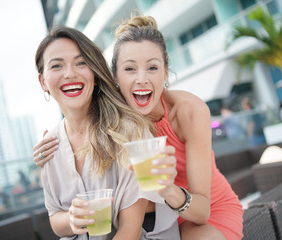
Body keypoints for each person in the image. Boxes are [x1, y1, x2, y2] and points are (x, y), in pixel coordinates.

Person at [35, 16, 244, 240]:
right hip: (162, 220)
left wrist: (169, 191)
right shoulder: (112, 118)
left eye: (152, 67)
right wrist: (44, 156)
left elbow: (202, 210)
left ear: (166, 73)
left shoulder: (187, 111)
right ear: (115, 76)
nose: (141, 79)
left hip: (203, 209)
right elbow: (75, 110)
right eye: (130, 69)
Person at [34, 26, 179, 240]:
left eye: (81, 63)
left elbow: (129, 231)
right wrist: (72, 219)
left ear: (94, 72)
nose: (70, 73)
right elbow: (56, 220)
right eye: (56, 66)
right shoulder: (49, 145)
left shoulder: (130, 132)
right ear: (43, 82)